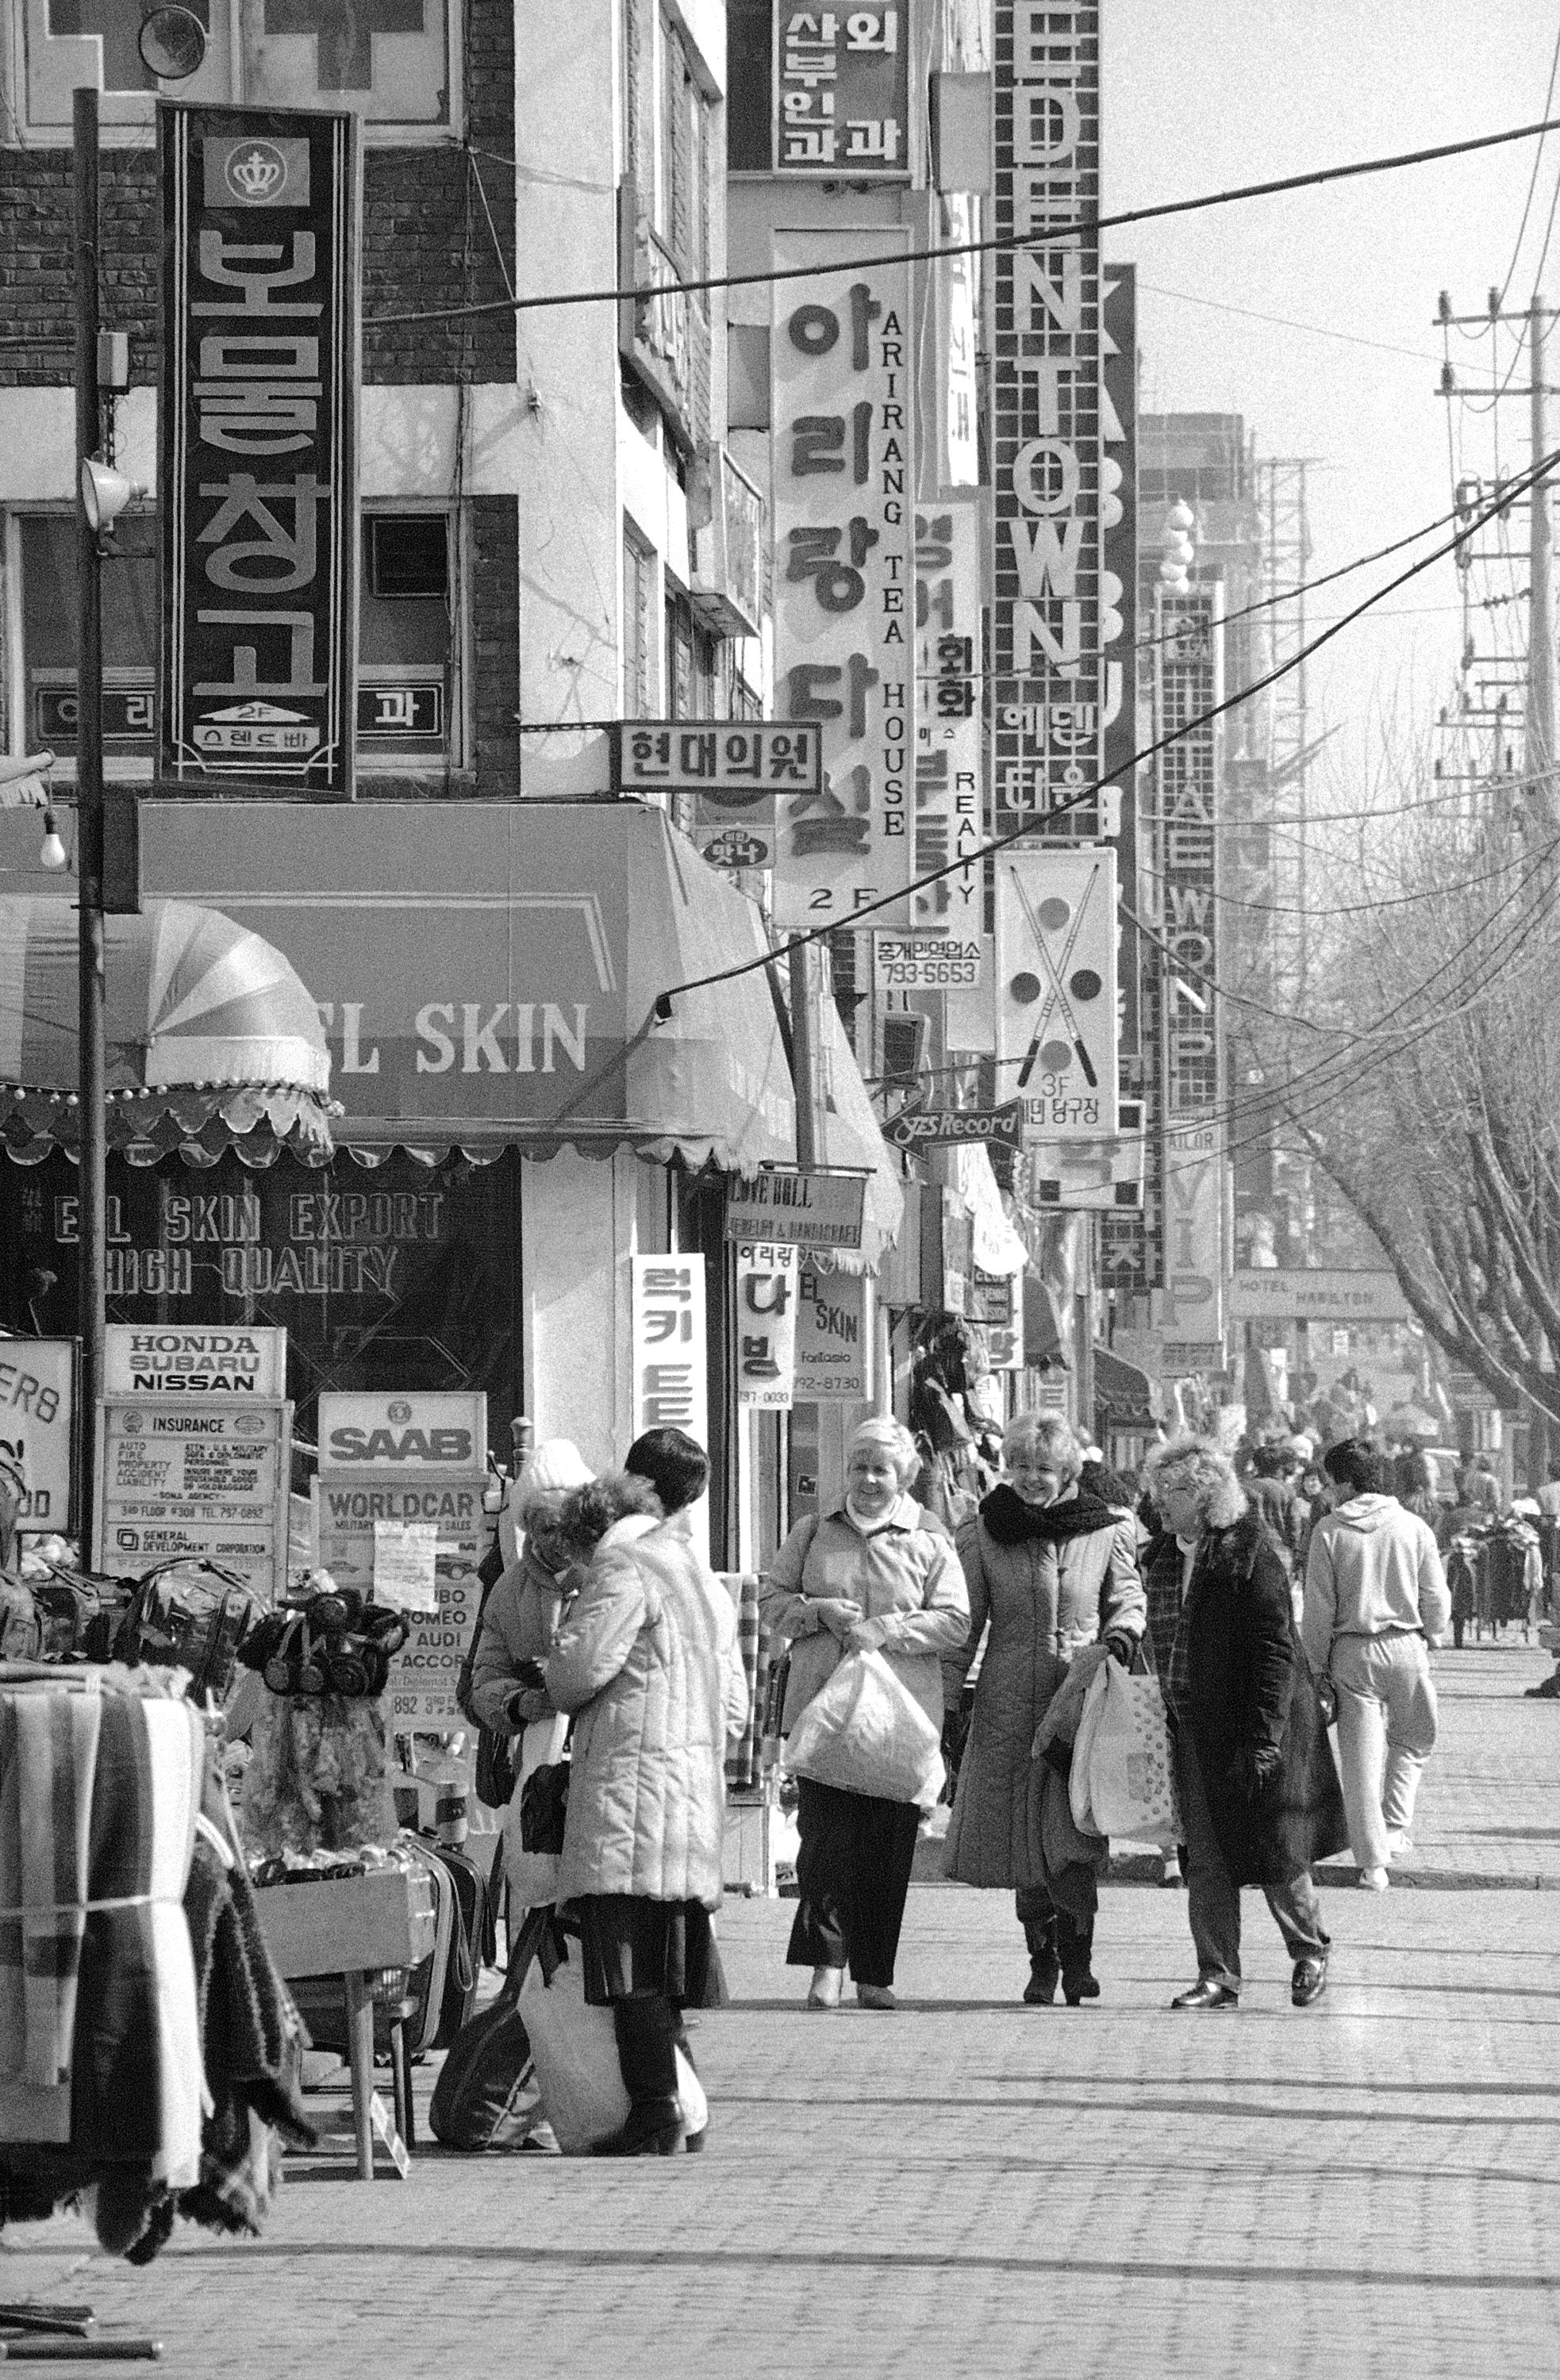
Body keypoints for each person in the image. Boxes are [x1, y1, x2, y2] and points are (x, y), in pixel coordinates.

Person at [546, 1449, 748, 2156]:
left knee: (629, 1961)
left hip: (632, 1787)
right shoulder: (692, 1568)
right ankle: (678, 2112)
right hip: (687, 1787)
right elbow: (734, 1704)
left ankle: (656, 2113)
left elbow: (576, 1673)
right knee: (661, 1962)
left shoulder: (621, 1569)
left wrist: (551, 1653)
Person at [759, 1416, 969, 2011]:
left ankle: (873, 1971)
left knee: (886, 1846)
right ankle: (826, 1966)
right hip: (824, 1710)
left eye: (882, 1469)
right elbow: (772, 1600)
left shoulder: (929, 1537)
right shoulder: (812, 1530)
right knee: (823, 1842)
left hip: (897, 1718)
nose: (870, 1479)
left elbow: (955, 1620)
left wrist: (890, 1629)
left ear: (903, 1476)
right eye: (860, 1467)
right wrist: (817, 1610)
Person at [943, 1413, 1145, 2006]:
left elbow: (1126, 1596)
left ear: (1068, 1473)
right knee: (1025, 1842)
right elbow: (964, 1627)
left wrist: (1120, 1635)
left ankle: (1078, 1958)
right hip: (1009, 1707)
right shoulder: (983, 1533)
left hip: (1081, 1705)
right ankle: (1042, 1962)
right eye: (1023, 1466)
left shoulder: (1106, 1531)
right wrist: (949, 1704)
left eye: (1046, 1468)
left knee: (1075, 1837)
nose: (1033, 1479)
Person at [1142, 1435, 1347, 2013]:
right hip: (1190, 1725)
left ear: (1206, 1495)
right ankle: (1217, 1975)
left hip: (1256, 1729)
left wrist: (1264, 1739)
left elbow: (1275, 1651)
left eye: (1174, 1490)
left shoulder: (1247, 1553)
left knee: (1276, 1850)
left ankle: (1309, 1952)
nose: (1161, 1500)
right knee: (1205, 1859)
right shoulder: (1159, 1556)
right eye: (1158, 1488)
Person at [1303, 1438, 1450, 1888]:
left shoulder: (1329, 1531)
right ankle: (1396, 1825)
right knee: (1414, 1740)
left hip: (1352, 1651)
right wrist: (1434, 1632)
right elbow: (1436, 1596)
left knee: (1360, 1759)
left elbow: (1319, 1609)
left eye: (1331, 1481)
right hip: (1407, 1645)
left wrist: (1316, 1666)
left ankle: (1373, 1864)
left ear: (1345, 1482)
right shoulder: (1413, 1527)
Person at [467, 1438, 594, 1919]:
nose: (558, 1541)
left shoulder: (610, 1576)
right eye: (546, 1529)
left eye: (569, 1529)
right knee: (536, 1863)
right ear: (529, 1531)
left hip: (602, 1741)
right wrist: (519, 1703)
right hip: (539, 1747)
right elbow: (485, 1677)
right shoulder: (510, 1589)